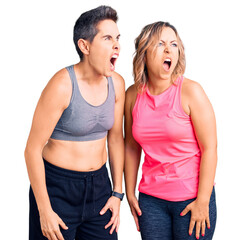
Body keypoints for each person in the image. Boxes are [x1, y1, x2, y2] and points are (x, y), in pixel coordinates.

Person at [24, 5, 125, 240]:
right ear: (85, 46)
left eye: (118, 38)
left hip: (100, 189)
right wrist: (44, 209)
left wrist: (117, 193)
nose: (117, 45)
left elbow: (116, 139)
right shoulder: (62, 85)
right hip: (58, 189)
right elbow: (32, 150)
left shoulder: (117, 84)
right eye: (108, 38)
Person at [124, 21, 217, 240]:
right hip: (151, 200)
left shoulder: (191, 91)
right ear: (144, 53)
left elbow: (210, 148)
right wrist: (129, 192)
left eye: (174, 44)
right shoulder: (132, 95)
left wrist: (203, 200)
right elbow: (130, 146)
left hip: (192, 199)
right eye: (160, 44)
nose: (169, 50)